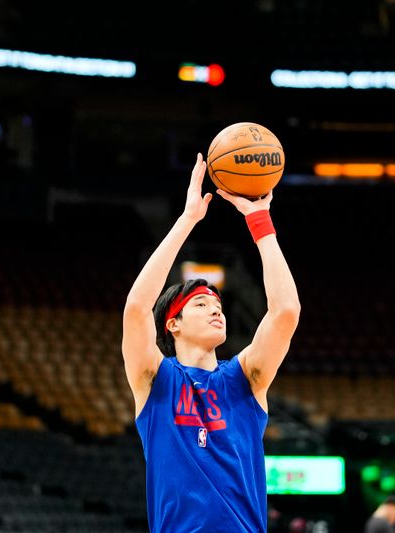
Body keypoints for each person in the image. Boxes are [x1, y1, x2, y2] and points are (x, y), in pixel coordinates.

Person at [122, 153, 300, 532]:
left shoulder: (245, 378)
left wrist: (260, 221)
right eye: (200, 304)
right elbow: (137, 308)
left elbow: (285, 312)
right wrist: (188, 220)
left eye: (217, 303)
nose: (215, 310)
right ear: (173, 324)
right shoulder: (155, 380)